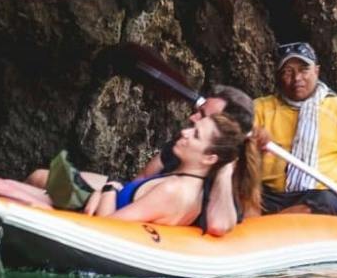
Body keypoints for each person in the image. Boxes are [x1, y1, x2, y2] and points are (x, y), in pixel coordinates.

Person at [0, 102, 261, 262]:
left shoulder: (175, 190)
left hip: (83, 224)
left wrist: (109, 190)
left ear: (210, 158)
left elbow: (107, 227)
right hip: (87, 213)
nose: (185, 131)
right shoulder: (181, 179)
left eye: (195, 134)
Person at [29, 86, 258, 236]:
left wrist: (226, 168)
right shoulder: (184, 144)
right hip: (137, 197)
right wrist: (108, 193)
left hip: (156, 209)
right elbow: (143, 178)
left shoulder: (222, 169)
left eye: (204, 116)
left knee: (41, 186)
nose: (192, 118)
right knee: (39, 176)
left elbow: (220, 224)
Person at [257, 41, 337, 218]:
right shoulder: (260, 109)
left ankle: (270, 224)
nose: (297, 78)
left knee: (325, 200)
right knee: (243, 195)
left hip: (320, 197)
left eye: (304, 70)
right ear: (278, 76)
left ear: (316, 71)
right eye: (288, 72)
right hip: (273, 196)